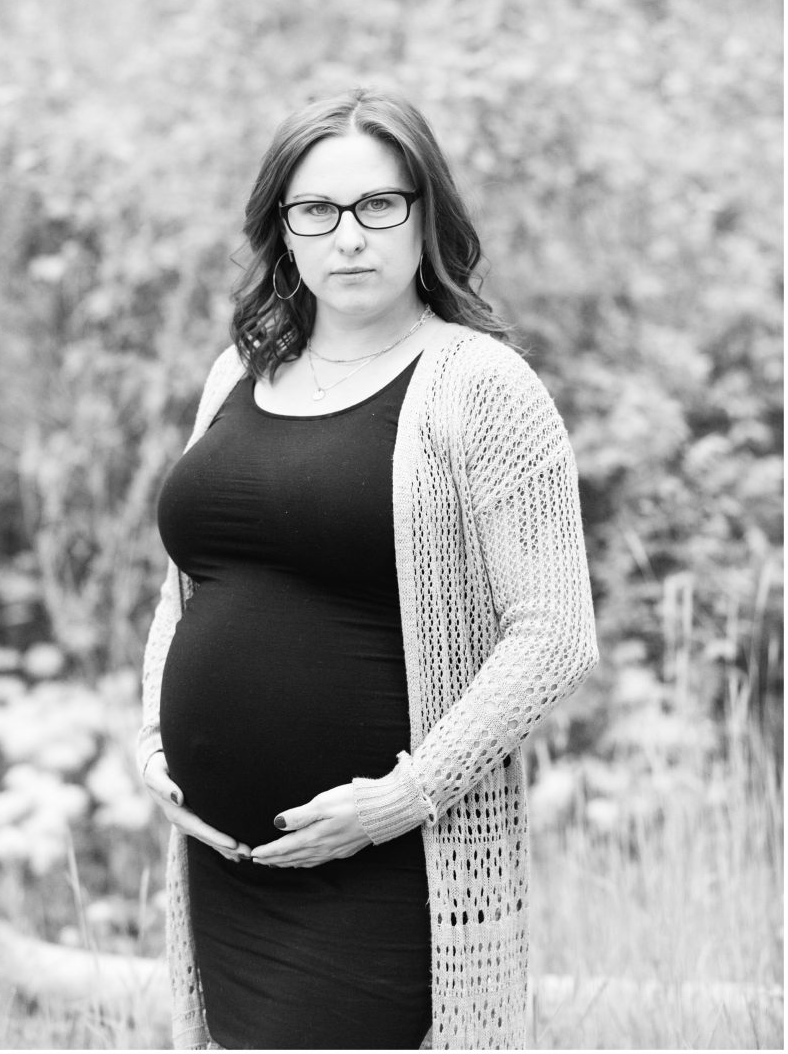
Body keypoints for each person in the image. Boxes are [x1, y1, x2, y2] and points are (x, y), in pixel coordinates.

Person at [137, 88, 599, 1052]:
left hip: (389, 865)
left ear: (427, 214)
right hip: (224, 864)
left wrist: (403, 796)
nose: (349, 237)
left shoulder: (481, 386)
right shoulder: (237, 373)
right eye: (318, 211)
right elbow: (187, 588)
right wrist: (155, 744)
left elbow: (555, 633)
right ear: (284, 232)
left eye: (378, 205)